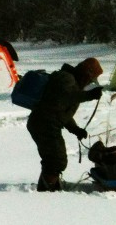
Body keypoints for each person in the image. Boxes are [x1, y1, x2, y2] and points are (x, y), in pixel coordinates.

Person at [26, 57, 103, 191]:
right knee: (56, 160)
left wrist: (76, 130)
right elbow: (68, 96)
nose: (90, 82)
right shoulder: (65, 78)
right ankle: (47, 190)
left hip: (46, 123)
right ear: (86, 74)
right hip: (44, 124)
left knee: (53, 159)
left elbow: (62, 111)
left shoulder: (72, 82)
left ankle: (49, 186)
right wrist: (89, 95)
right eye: (91, 79)